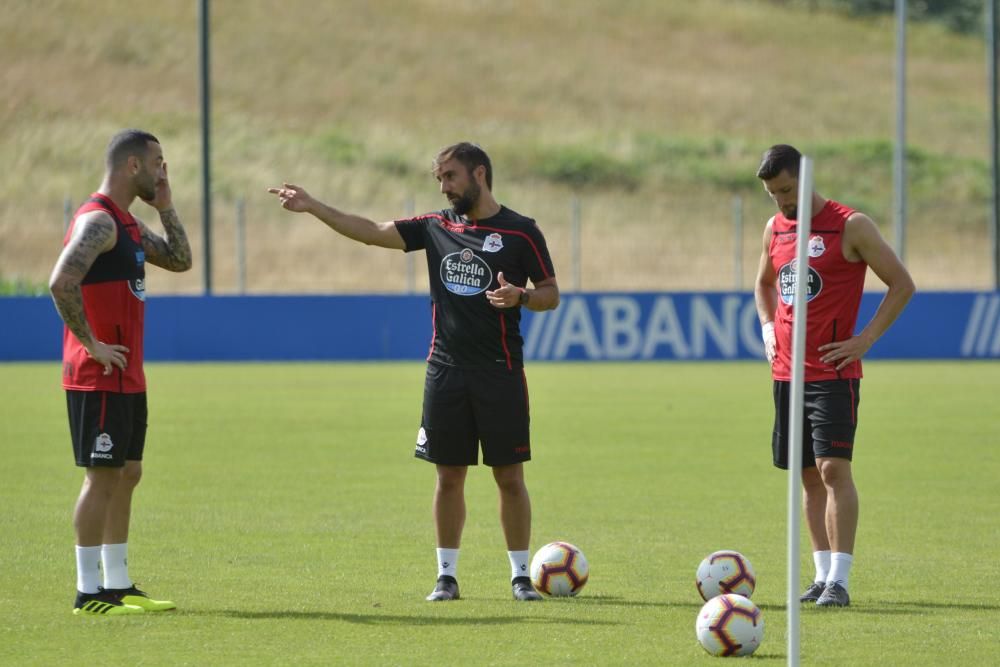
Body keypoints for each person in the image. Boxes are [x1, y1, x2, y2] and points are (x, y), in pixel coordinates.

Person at [268, 142, 559, 601]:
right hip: (445, 370)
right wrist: (313, 207)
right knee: (448, 476)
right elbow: (370, 231)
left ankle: (521, 578)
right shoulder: (435, 227)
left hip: (500, 372)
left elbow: (550, 293)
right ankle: (446, 577)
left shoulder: (521, 232)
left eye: (451, 176)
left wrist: (521, 297)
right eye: (440, 179)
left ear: (479, 174)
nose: (444, 187)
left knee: (509, 477)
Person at [753, 144, 915, 607]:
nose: (781, 200)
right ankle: (821, 577)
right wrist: (767, 328)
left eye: (786, 189)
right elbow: (764, 283)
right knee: (806, 476)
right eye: (772, 193)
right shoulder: (775, 228)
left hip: (832, 372)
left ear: (805, 178)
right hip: (786, 373)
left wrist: (865, 339)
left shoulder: (851, 225)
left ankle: (841, 581)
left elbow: (902, 283)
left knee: (832, 469)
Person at [49, 129, 192, 615]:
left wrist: (166, 205)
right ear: (132, 166)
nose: (162, 170)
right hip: (98, 374)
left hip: (127, 374)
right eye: (157, 163)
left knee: (127, 472)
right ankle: (87, 591)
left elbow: (180, 259)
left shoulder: (126, 224)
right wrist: (90, 343)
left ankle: (118, 582)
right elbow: (61, 281)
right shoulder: (99, 221)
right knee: (101, 476)